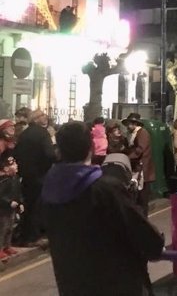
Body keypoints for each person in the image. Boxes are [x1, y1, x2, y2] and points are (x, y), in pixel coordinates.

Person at [41, 122, 164, 295]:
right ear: (90, 148)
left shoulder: (49, 188)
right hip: (115, 283)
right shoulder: (104, 189)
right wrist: (155, 245)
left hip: (72, 283)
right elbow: (141, 231)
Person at [13, 109, 56, 246]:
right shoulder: (42, 133)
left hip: (26, 175)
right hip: (40, 175)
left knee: (29, 205)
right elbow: (49, 154)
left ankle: (26, 236)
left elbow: (18, 153)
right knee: (37, 207)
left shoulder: (25, 134)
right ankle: (33, 237)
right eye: (42, 115)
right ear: (37, 119)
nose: (45, 117)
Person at [124, 113, 155, 215]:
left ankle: (143, 221)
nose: (128, 126)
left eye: (130, 124)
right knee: (136, 197)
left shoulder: (142, 133)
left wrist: (127, 157)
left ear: (135, 124)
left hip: (143, 170)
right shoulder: (132, 134)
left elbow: (140, 150)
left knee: (142, 198)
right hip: (136, 168)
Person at [0, 155, 23, 260]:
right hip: (4, 209)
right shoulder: (4, 181)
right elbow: (1, 195)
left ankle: (7, 246)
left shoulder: (16, 178)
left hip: (12, 209)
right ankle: (1, 248)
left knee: (10, 228)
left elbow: (18, 192)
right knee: (3, 229)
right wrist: (9, 202)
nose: (16, 166)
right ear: (5, 168)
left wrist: (20, 202)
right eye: (13, 164)